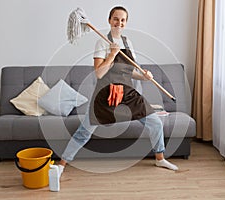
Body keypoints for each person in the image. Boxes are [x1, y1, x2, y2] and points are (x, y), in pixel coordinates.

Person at [58, 6, 178, 175]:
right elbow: (99, 73)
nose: (119, 23)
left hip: (128, 94)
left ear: (126, 22)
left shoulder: (128, 43)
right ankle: (62, 164)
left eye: (122, 20)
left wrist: (144, 76)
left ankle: (160, 159)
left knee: (155, 122)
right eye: (116, 19)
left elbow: (131, 72)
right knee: (84, 132)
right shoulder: (102, 42)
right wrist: (112, 55)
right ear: (109, 20)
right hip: (106, 96)